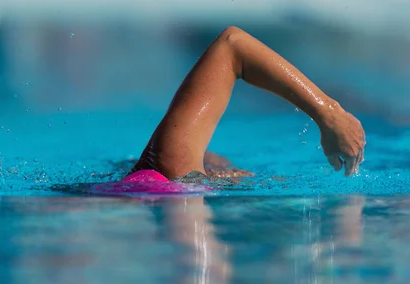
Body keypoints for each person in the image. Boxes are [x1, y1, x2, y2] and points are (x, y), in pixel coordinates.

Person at [124, 26, 366, 183]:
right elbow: (232, 46)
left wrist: (329, 116)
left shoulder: (174, 167)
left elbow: (233, 46)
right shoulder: (175, 167)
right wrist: (330, 114)